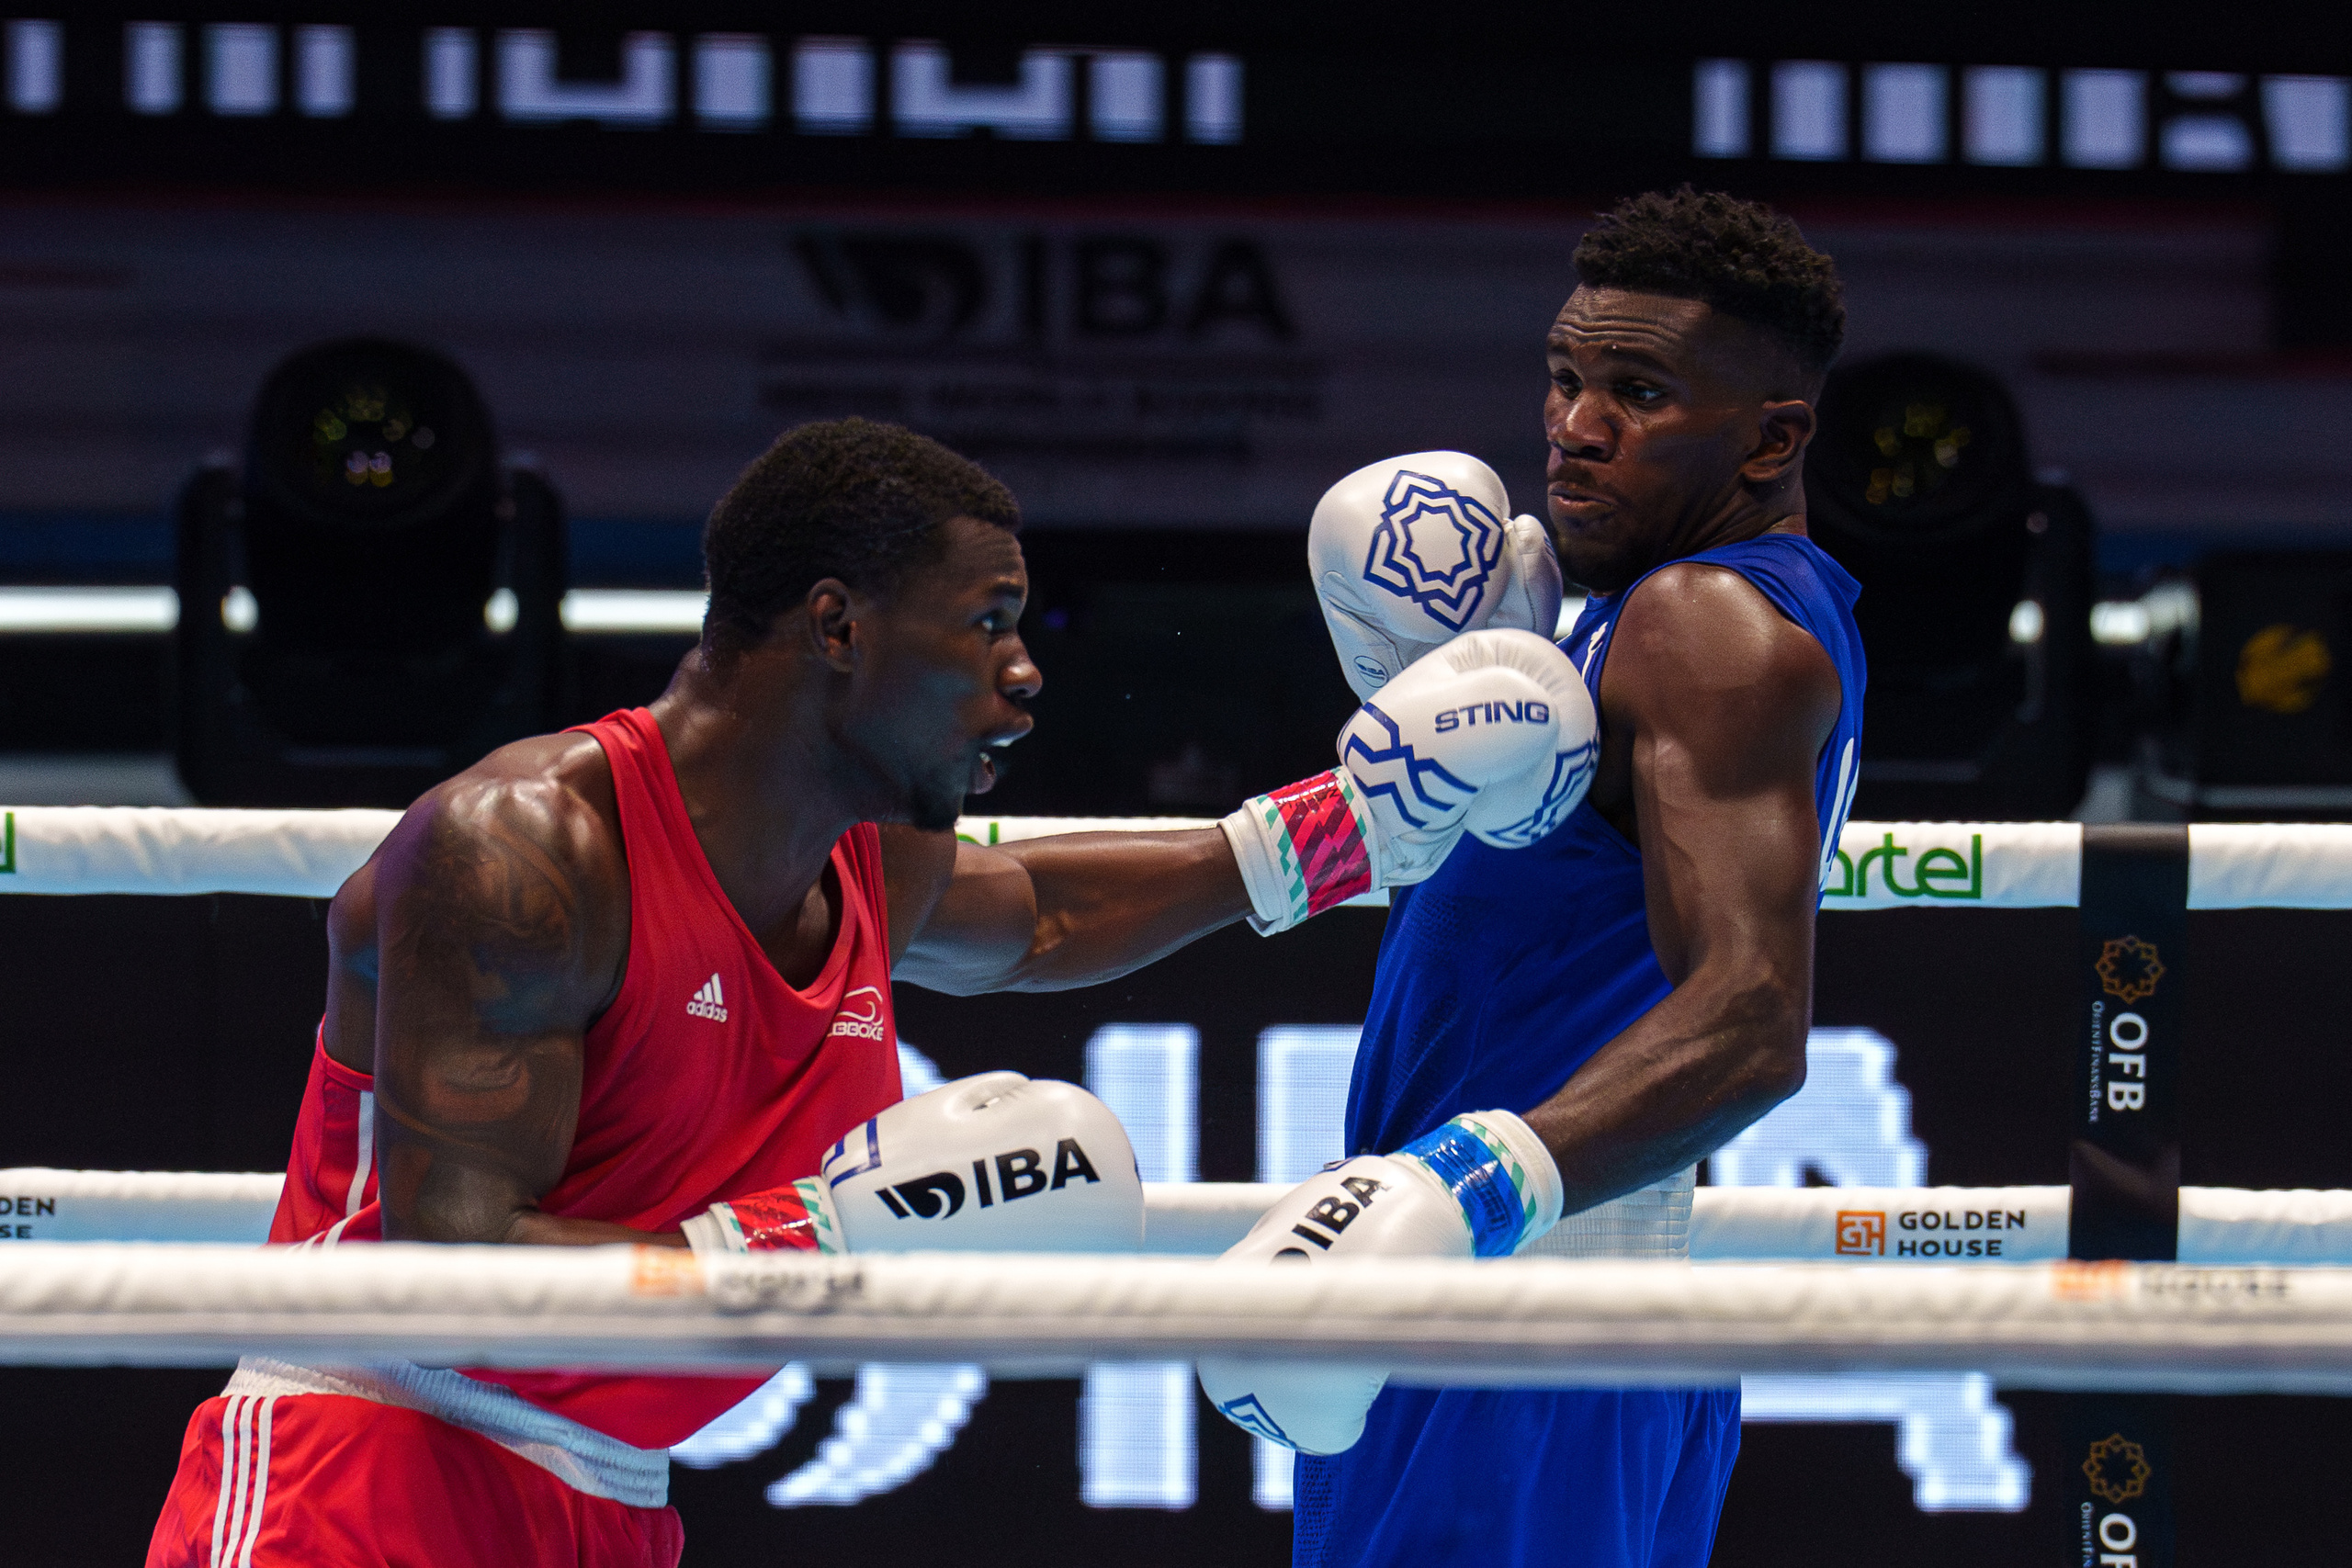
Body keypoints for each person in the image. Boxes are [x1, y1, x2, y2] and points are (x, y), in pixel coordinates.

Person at [146, 417, 1589, 1568]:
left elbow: (1038, 916)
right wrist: (817, 1235)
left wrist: (1361, 825)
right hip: (369, 1479)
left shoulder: (855, 873)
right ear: (837, 628)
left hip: (611, 1498)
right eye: (988, 624)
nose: (1025, 678)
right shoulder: (525, 857)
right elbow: (458, 1279)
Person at [1204, 188, 1866, 1567]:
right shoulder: (1665, 620)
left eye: (1638, 392)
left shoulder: (1703, 623)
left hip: (1516, 1311)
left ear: (1773, 437)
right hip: (1569, 1309)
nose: (1575, 426)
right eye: (1566, 379)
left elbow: (1752, 1020)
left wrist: (1457, 1190)